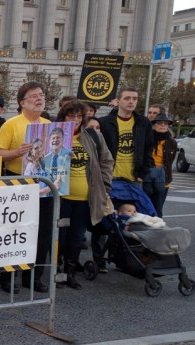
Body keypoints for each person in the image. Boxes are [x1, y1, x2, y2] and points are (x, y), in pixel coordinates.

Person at [0, 81, 52, 294]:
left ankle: (33, 277)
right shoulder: (11, 124)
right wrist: (17, 153)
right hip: (17, 182)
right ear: (22, 103)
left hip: (44, 184)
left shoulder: (49, 124)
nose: (39, 99)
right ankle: (7, 276)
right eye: (34, 96)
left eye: (41, 95)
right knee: (14, 231)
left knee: (43, 233)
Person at [55, 100, 114, 290]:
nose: (75, 119)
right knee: (60, 238)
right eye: (71, 116)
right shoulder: (55, 134)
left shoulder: (92, 136)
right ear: (63, 117)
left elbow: (106, 160)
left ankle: (70, 274)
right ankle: (57, 274)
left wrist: (105, 186)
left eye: (79, 116)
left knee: (76, 238)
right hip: (61, 198)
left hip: (84, 198)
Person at [96, 86, 153, 272]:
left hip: (132, 179)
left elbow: (148, 149)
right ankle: (99, 259)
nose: (131, 101)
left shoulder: (143, 122)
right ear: (118, 101)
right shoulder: (105, 122)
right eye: (127, 98)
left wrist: (143, 173)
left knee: (131, 219)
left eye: (135, 98)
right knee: (104, 218)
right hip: (110, 177)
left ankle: (126, 257)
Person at [148, 113, 177, 217]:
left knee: (158, 208)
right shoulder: (147, 139)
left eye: (165, 123)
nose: (163, 125)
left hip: (163, 176)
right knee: (145, 205)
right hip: (148, 174)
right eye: (159, 123)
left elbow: (170, 161)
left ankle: (158, 230)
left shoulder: (172, 142)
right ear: (154, 125)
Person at [42, 127, 72, 193]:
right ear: (49, 141)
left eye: (58, 137)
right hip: (48, 193)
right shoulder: (45, 159)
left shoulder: (69, 155)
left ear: (63, 139)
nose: (55, 140)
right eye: (53, 138)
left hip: (64, 193)